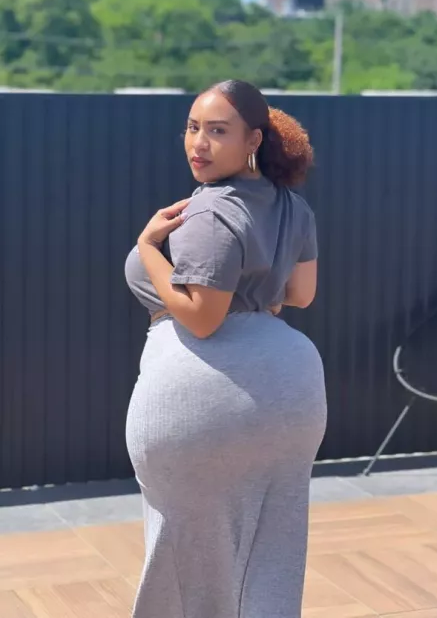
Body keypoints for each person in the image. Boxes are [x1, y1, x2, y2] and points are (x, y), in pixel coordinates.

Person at [124, 79, 327, 618]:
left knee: (188, 576)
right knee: (270, 559)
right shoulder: (294, 207)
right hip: (293, 392)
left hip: (206, 399)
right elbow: (300, 295)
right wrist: (258, 295)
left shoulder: (209, 212)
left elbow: (202, 318)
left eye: (218, 131)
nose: (199, 143)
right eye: (193, 128)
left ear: (253, 140)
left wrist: (148, 248)